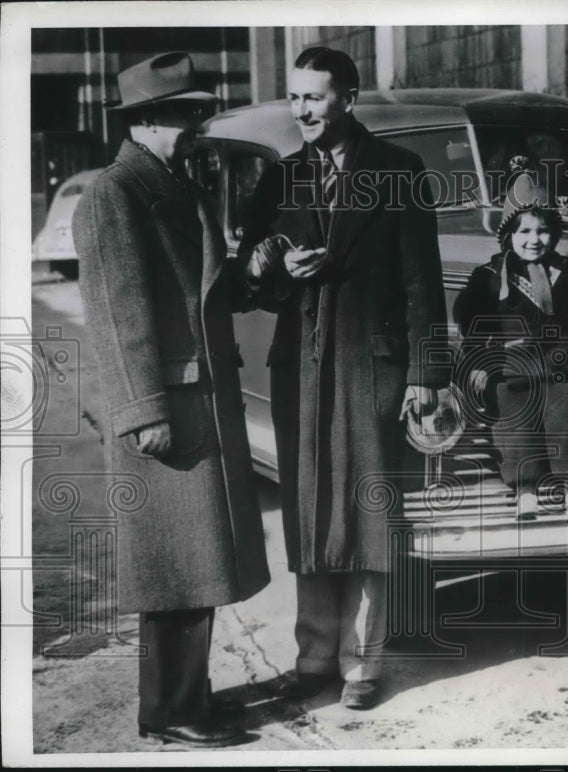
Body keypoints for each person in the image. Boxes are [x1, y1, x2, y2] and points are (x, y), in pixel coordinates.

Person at [237, 47, 449, 710]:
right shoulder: (282, 178)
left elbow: (422, 283)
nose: (301, 109)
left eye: (315, 97)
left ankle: (364, 665)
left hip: (372, 367)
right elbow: (251, 275)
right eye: (295, 97)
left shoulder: (399, 172)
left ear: (348, 99)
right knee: (308, 515)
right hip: (300, 367)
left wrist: (426, 373)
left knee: (367, 516)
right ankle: (314, 660)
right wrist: (272, 264)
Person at [72, 51, 270, 748]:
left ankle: (189, 696)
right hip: (166, 410)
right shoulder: (116, 195)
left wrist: (256, 270)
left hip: (198, 400)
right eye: (186, 115)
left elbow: (207, 288)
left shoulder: (172, 185)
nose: (196, 126)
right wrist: (142, 412)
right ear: (148, 120)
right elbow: (116, 317)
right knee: (174, 570)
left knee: (198, 563)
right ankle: (169, 712)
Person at [454, 173, 568, 520]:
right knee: (512, 412)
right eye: (524, 231)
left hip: (559, 361)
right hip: (513, 363)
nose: (534, 240)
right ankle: (525, 490)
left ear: (555, 233)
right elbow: (471, 322)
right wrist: (479, 362)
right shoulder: (490, 277)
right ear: (509, 235)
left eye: (543, 231)